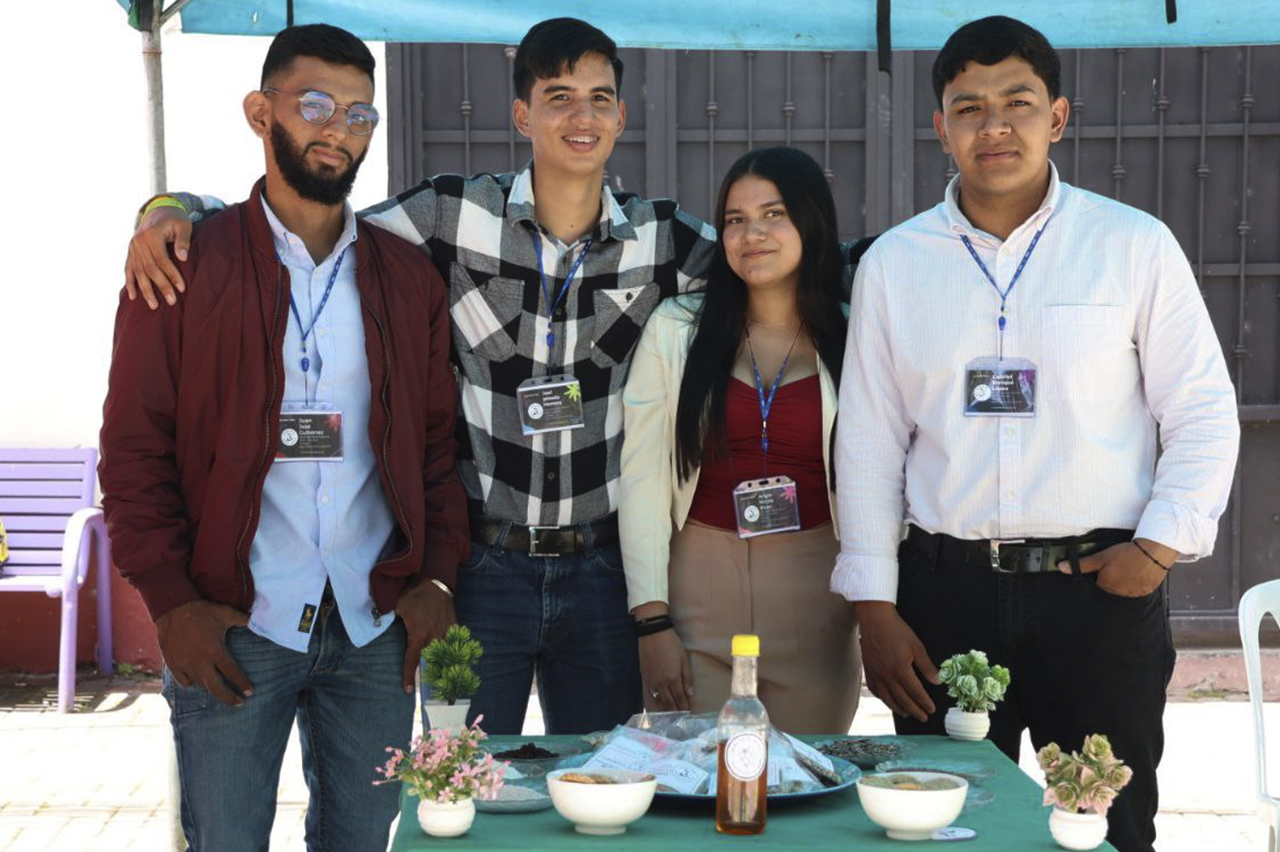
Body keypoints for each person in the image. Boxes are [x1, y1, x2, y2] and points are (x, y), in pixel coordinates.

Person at [833, 16, 1239, 852]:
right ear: (940, 127)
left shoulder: (1132, 246)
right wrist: (875, 605)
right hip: (943, 598)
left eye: (1017, 102)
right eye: (969, 107)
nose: (995, 126)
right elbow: (870, 441)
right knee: (937, 825)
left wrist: (1157, 550)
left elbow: (1200, 409)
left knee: (1105, 827)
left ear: (1056, 116)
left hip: (1095, 591)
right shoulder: (895, 265)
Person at [99, 24, 467, 852]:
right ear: (261, 113)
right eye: (314, 104)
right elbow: (132, 450)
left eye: (360, 113)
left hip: (374, 629)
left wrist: (436, 581)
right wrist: (171, 604)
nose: (337, 128)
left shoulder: (407, 279)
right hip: (233, 622)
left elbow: (437, 448)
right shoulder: (185, 265)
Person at [620, 147, 868, 733]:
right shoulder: (678, 329)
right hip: (698, 591)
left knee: (806, 790)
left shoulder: (855, 330)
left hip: (816, 593)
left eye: (773, 214)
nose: (751, 234)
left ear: (811, 221)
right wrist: (652, 622)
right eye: (734, 219)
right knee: (699, 790)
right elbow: (644, 478)